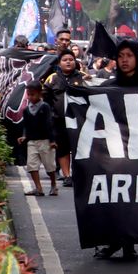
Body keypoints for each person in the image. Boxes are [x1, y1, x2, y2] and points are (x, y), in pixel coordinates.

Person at [95, 40, 138, 261]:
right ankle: (115, 241)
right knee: (115, 198)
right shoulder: (106, 89)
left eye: (129, 55)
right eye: (121, 55)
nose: (124, 60)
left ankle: (128, 242)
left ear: (137, 58)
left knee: (133, 201)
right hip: (113, 154)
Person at [43, 49, 86, 187]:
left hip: (79, 121)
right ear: (59, 63)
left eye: (71, 59)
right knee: (63, 149)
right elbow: (45, 99)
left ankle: (78, 175)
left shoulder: (82, 77)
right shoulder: (53, 78)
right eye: (65, 60)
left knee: (78, 149)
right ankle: (67, 175)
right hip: (59, 121)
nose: (68, 62)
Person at [19, 81, 58, 197]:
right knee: (32, 165)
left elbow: (49, 124)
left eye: (33, 94)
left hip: (45, 141)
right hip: (32, 141)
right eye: (28, 95)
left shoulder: (44, 107)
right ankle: (38, 188)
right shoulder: (26, 110)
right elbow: (25, 125)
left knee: (49, 165)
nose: (30, 97)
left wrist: (52, 141)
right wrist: (24, 136)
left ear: (40, 94)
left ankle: (53, 185)